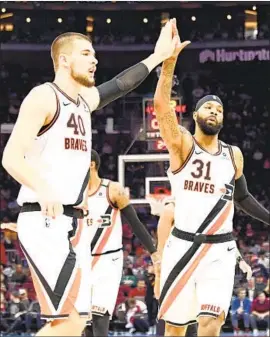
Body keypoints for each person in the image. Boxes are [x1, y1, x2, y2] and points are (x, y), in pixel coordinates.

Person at [2, 21, 177, 336]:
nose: (94, 59)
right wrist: (44, 189)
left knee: (76, 321)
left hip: (72, 223)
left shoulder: (84, 103)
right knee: (68, 323)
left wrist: (156, 57)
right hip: (45, 220)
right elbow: (11, 157)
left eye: (94, 53)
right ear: (65, 61)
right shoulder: (44, 97)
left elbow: (121, 84)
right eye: (86, 53)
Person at [153, 18, 269, 336]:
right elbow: (162, 107)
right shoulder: (182, 145)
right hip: (182, 246)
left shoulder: (234, 155)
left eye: (219, 109)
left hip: (220, 250)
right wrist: (169, 64)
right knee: (175, 330)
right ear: (195, 116)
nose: (215, 110)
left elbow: (242, 197)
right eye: (208, 107)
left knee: (210, 324)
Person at [148, 196, 253, 337]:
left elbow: (223, 237)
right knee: (174, 327)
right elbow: (160, 254)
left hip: (208, 270)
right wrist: (159, 279)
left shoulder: (211, 209)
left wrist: (239, 259)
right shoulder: (172, 211)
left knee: (208, 321)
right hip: (180, 273)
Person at [83, 150, 158, 337]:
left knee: (100, 317)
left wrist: (154, 252)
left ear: (92, 164)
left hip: (108, 260)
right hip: (81, 260)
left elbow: (135, 223)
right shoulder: (72, 194)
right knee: (85, 323)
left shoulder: (112, 189)